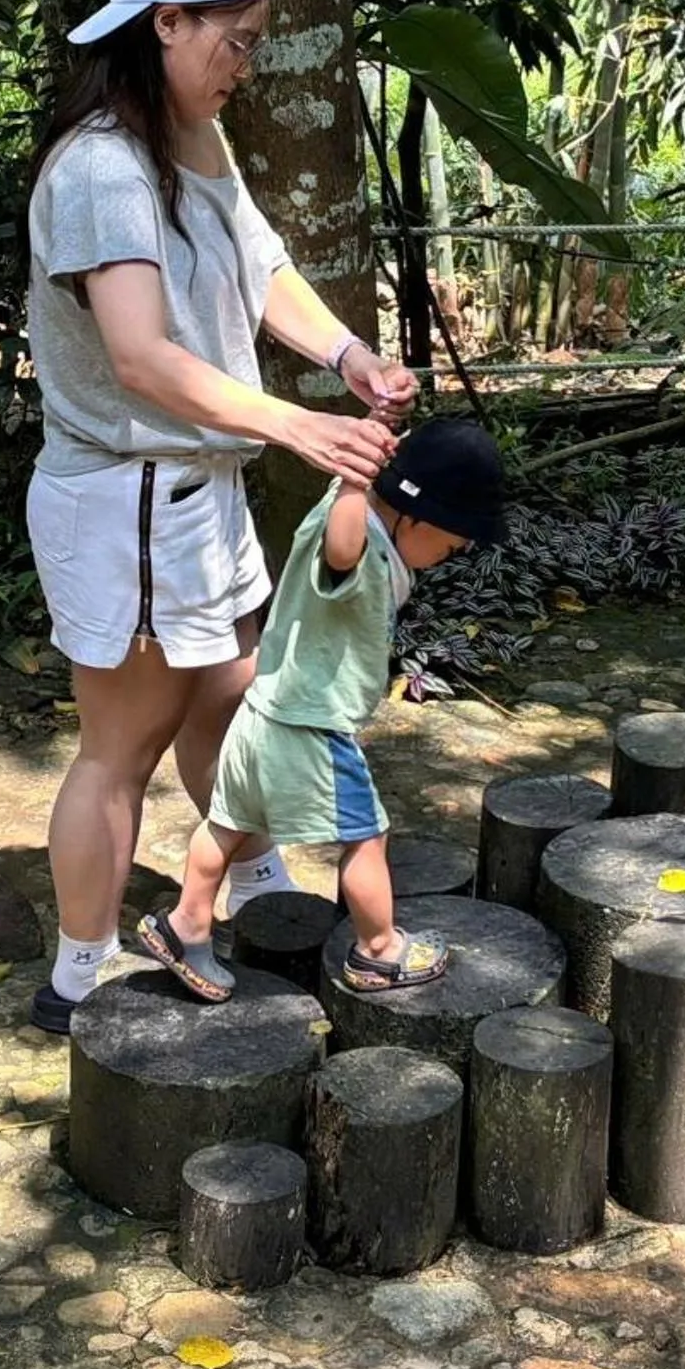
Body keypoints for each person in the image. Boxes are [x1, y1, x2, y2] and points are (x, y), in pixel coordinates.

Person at [24, 0, 420, 1034]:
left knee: (233, 698)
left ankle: (241, 888)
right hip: (132, 499)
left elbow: (258, 263)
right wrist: (301, 430)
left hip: (196, 493)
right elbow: (143, 356)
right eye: (233, 40)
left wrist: (345, 356)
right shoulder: (103, 167)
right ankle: (78, 973)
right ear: (166, 23)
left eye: (254, 39)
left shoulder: (190, 135)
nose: (245, 61)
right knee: (120, 747)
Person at [136, 418, 504, 1000]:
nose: (450, 555)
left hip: (261, 714)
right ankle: (380, 950)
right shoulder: (360, 544)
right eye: (452, 543)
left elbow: (350, 514)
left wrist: (369, 452)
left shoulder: (338, 504)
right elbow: (343, 550)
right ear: (418, 514)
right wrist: (359, 480)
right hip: (313, 727)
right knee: (366, 838)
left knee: (227, 824)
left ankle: (185, 923)